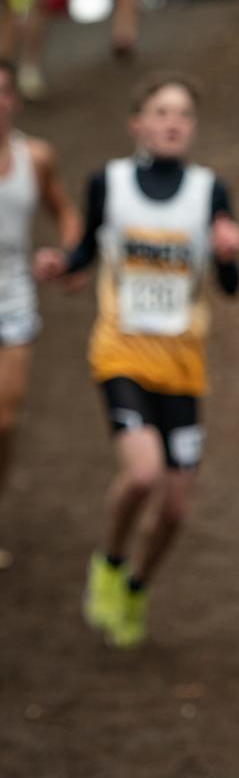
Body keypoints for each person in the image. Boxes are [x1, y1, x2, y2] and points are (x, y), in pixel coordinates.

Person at [34, 71, 239, 647]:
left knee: (176, 509)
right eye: (161, 112)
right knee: (143, 473)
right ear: (138, 123)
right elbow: (85, 249)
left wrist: (228, 254)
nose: (173, 122)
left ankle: (135, 585)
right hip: (120, 351)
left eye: (183, 114)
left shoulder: (210, 190)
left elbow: (229, 283)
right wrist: (63, 264)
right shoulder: (110, 182)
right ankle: (107, 560)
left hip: (182, 366)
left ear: (192, 128)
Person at [0, 59, 79, 567]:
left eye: (5, 92)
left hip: (13, 298)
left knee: (5, 423)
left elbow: (65, 210)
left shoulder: (35, 155)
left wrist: (68, 255)